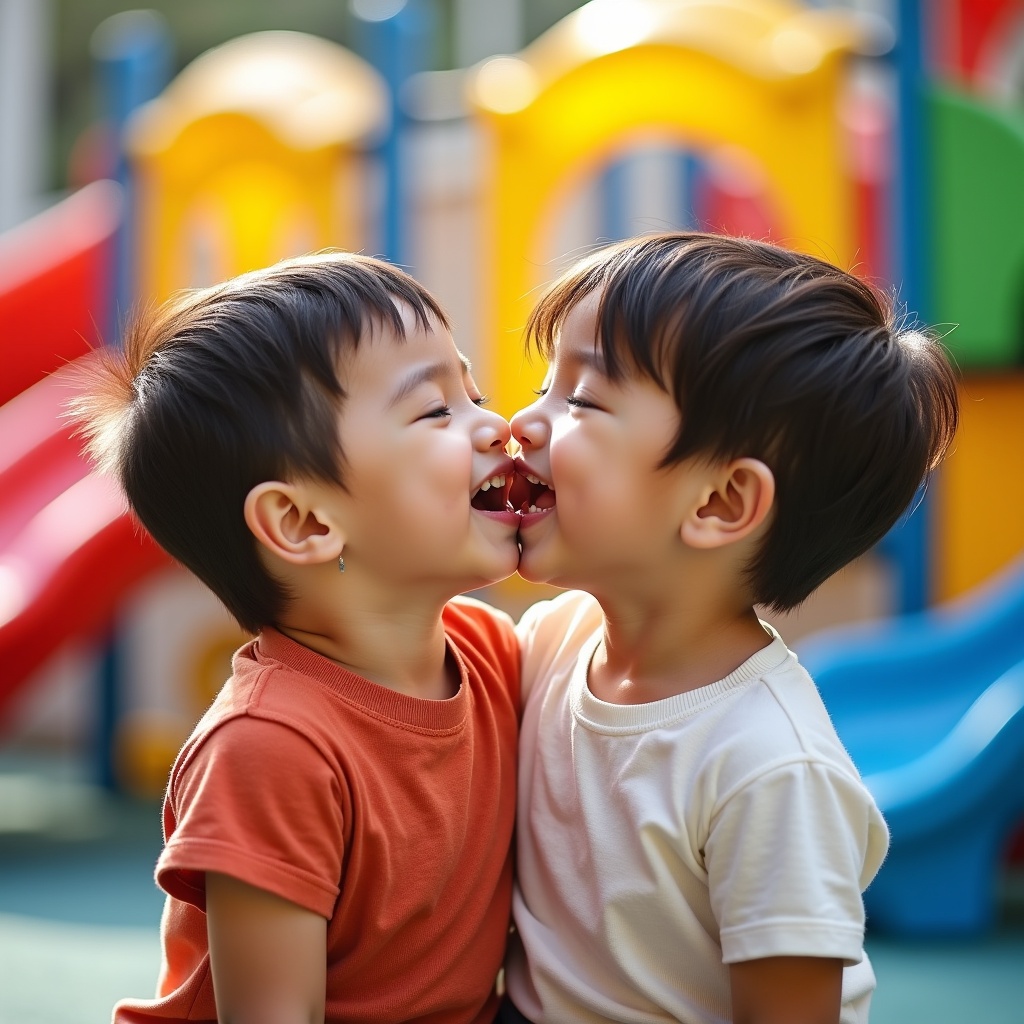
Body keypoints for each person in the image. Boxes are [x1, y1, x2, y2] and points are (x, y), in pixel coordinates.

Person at [501, 232, 960, 1024]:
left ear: (718, 504)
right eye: (548, 386)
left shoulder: (768, 768)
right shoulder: (555, 641)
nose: (523, 421)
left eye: (581, 400)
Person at [71, 252, 523, 1024]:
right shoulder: (270, 749)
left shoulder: (492, 652)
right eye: (436, 411)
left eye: (473, 392)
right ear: (305, 522)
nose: (497, 425)